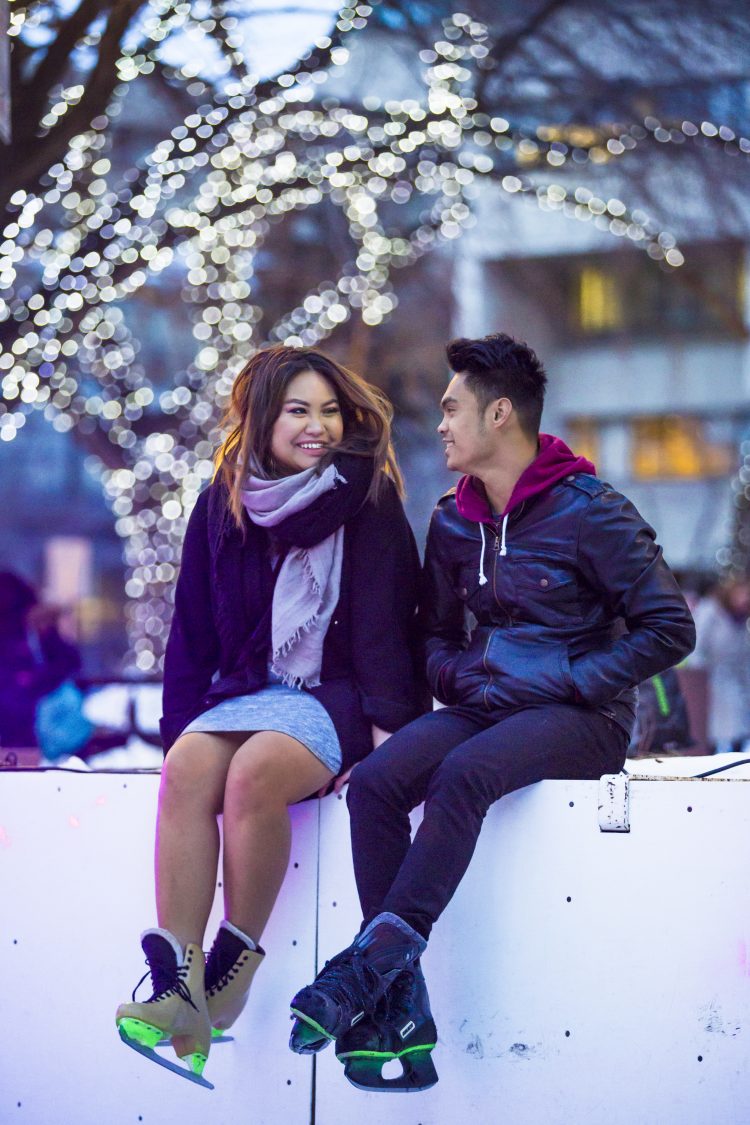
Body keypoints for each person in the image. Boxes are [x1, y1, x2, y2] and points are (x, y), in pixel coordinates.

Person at [288, 332, 696, 1091]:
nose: (440, 424)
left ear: (500, 414)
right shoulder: (452, 521)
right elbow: (433, 633)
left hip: (583, 718)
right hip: (488, 706)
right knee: (375, 784)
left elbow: (672, 627)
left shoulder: (591, 512)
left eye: (452, 410)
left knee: (463, 776)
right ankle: (400, 1009)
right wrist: (464, 675)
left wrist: (575, 674)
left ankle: (367, 965)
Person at [115, 345, 424, 1084]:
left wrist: (389, 748)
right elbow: (190, 631)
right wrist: (177, 733)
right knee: (190, 766)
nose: (317, 426)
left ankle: (230, 969)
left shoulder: (369, 500)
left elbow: (389, 628)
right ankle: (176, 988)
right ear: (261, 419)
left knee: (253, 771)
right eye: (298, 411)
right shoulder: (225, 501)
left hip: (337, 695)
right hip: (249, 688)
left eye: (328, 411)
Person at [690, 576, 750, 751]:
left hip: (736, 682)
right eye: (744, 593)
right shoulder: (710, 611)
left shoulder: (742, 619)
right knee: (712, 730)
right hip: (710, 681)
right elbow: (696, 645)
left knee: (737, 729)